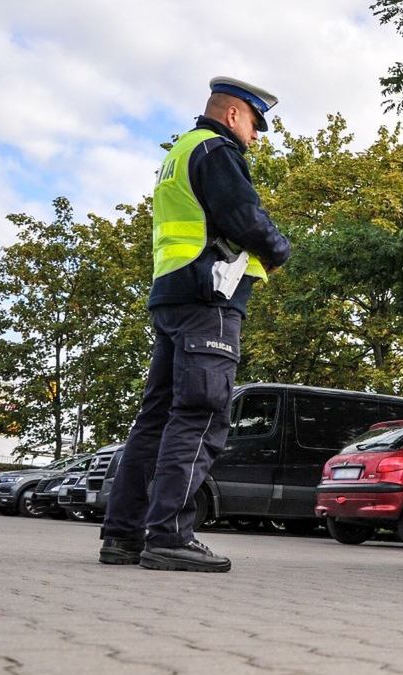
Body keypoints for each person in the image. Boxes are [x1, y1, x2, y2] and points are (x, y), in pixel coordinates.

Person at [99, 77, 291, 573]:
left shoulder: (179, 153)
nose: (256, 135)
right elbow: (246, 219)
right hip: (209, 300)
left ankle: (123, 536)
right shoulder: (216, 151)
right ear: (232, 115)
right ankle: (170, 537)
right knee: (201, 415)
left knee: (155, 420)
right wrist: (279, 250)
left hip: (173, 296)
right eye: (254, 123)